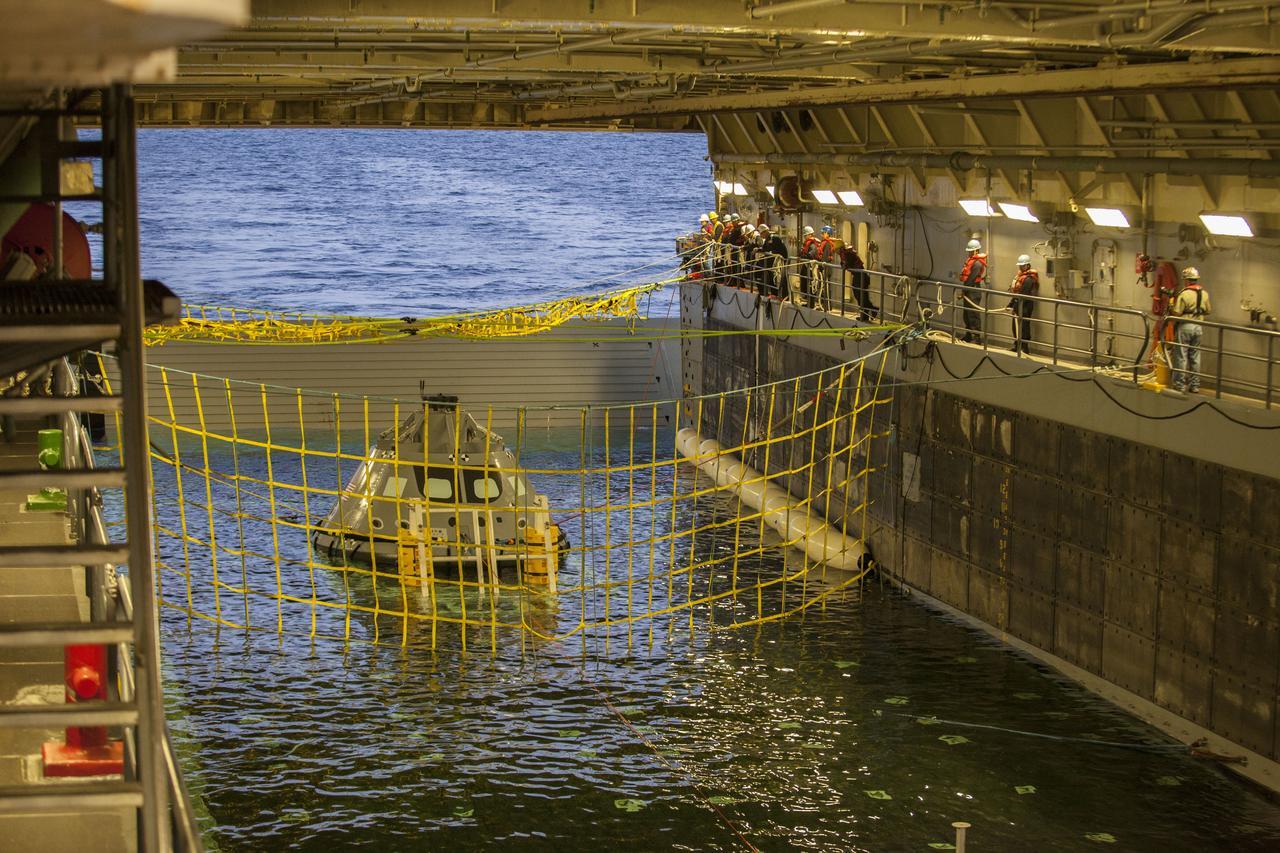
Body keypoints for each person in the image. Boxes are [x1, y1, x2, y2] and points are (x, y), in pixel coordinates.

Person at [1168, 267, 1212, 392]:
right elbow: (1208, 310)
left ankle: (1180, 384)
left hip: (1185, 326)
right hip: (1198, 327)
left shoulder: (1184, 294)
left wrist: (1171, 305)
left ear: (1186, 280)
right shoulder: (1204, 293)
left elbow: (1177, 313)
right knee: (1195, 357)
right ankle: (1195, 385)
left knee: (1181, 356)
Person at [1008, 253, 1039, 354]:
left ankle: (1025, 347)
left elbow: (1023, 294)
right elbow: (1017, 293)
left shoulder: (1029, 279)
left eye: (1023, 265)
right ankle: (1017, 344)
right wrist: (1011, 304)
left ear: (1028, 265)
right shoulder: (1020, 276)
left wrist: (1015, 307)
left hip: (1025, 306)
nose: (1021, 267)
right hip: (1018, 303)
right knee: (1015, 325)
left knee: (1024, 326)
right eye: (1020, 265)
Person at [959, 238, 987, 343]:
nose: (969, 253)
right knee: (966, 313)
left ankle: (976, 337)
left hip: (973, 290)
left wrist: (964, 290)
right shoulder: (972, 262)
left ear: (976, 251)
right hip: (969, 289)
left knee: (973, 313)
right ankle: (969, 334)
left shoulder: (977, 264)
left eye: (971, 251)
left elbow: (971, 280)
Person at [841, 243, 875, 319]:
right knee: (862, 295)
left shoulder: (847, 254)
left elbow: (848, 264)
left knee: (860, 295)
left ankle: (868, 312)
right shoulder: (847, 253)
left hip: (859, 276)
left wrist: (844, 265)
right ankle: (868, 312)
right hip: (860, 275)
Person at [761, 223, 789, 300]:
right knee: (772, 277)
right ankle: (774, 293)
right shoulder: (767, 239)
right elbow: (765, 249)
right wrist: (758, 250)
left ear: (765, 232)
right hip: (772, 262)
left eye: (761, 233)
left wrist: (772, 253)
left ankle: (785, 296)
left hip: (780, 261)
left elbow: (781, 250)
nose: (761, 236)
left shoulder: (775, 238)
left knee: (782, 277)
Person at [818, 225, 841, 310]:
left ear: (828, 234)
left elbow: (825, 257)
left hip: (826, 267)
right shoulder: (826, 242)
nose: (822, 234)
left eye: (823, 233)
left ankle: (827, 306)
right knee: (824, 286)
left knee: (826, 286)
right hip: (825, 267)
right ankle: (825, 305)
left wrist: (822, 266)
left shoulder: (827, 244)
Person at [799, 225, 820, 308]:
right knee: (805, 282)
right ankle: (808, 301)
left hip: (811, 267)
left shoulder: (813, 245)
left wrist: (803, 257)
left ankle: (811, 303)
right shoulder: (808, 244)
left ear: (810, 235)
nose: (804, 237)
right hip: (806, 266)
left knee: (811, 284)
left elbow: (811, 255)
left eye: (805, 235)